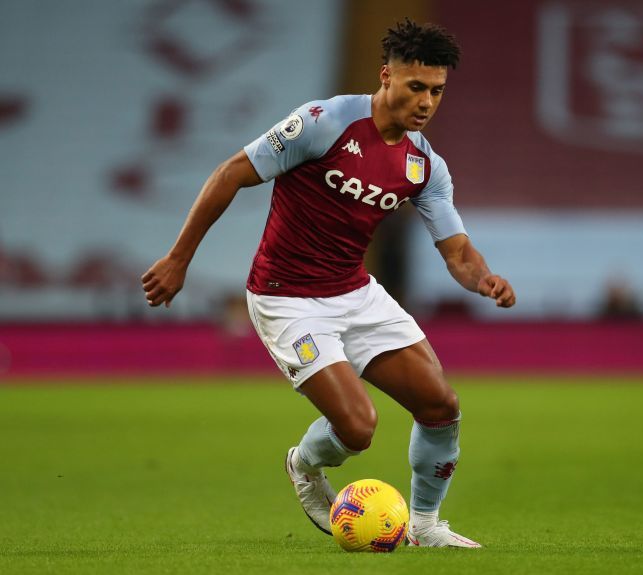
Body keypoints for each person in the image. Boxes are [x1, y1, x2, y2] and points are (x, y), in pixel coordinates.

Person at [141, 19, 515, 548]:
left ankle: (426, 527)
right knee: (359, 428)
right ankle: (303, 464)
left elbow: (457, 252)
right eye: (416, 87)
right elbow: (230, 173)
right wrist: (179, 259)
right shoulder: (325, 121)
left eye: (437, 91)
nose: (427, 102)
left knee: (441, 406)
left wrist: (485, 280)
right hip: (286, 297)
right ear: (386, 77)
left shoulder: (424, 165)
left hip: (355, 292)